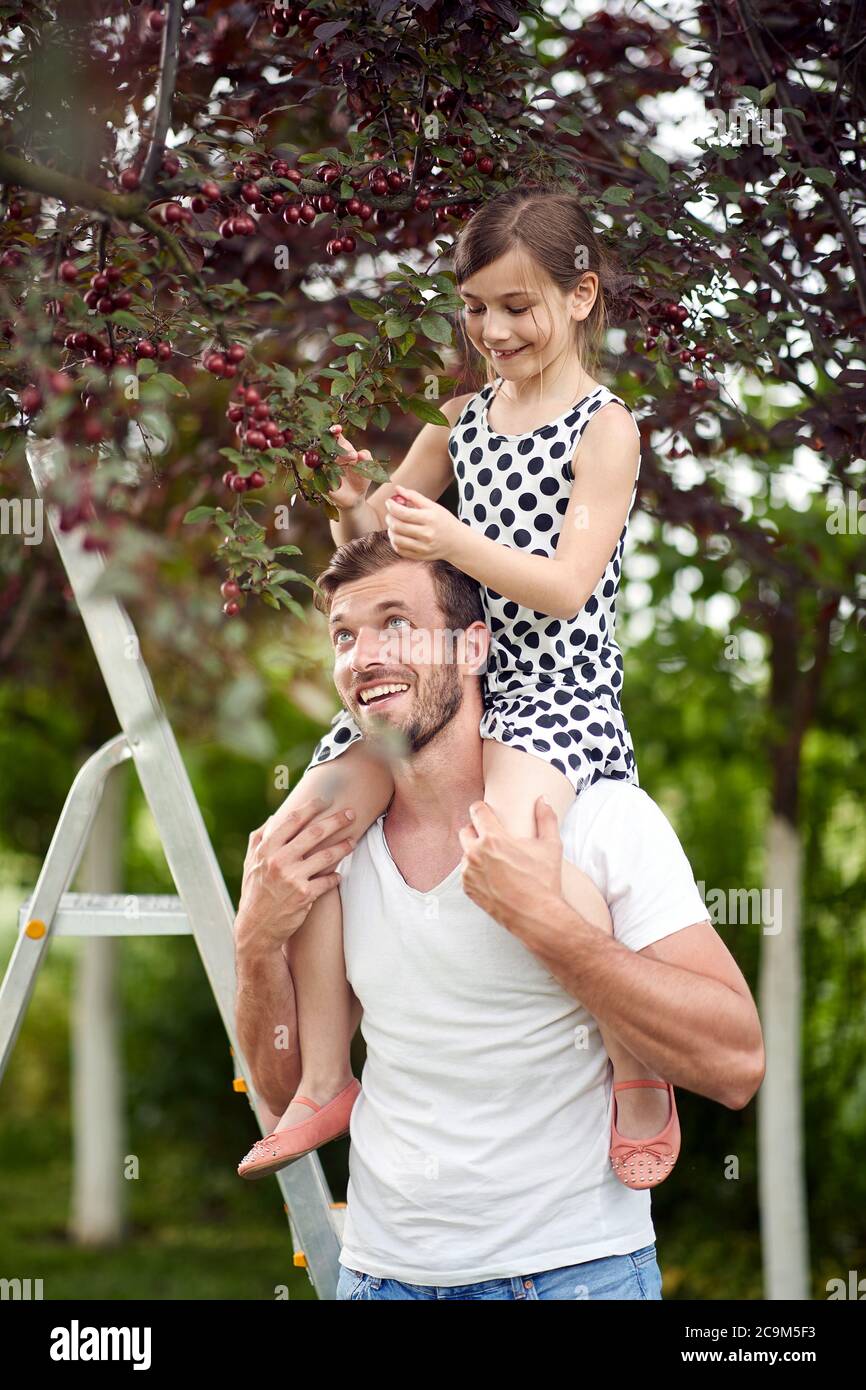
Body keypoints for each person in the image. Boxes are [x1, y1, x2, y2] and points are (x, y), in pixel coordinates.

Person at [237, 185, 686, 1190]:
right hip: (448, 676)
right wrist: (339, 487)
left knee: (522, 840)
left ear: (579, 297)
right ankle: (320, 1077)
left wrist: (453, 540)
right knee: (303, 828)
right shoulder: (457, 426)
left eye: (515, 305)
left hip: (552, 685)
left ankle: (636, 1063)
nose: (491, 329)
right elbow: (367, 537)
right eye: (474, 307)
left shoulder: (604, 429)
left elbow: (568, 587)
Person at [233, 535, 765, 1300]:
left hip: (577, 1277)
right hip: (381, 1277)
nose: (365, 654)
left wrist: (553, 930)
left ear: (474, 644)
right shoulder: (330, 850)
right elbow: (282, 1095)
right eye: (345, 636)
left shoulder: (599, 820)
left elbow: (737, 1064)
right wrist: (255, 941)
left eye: (396, 623)